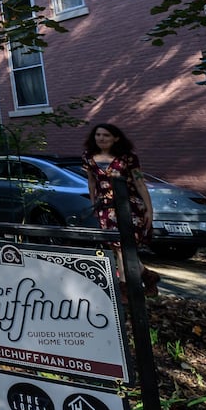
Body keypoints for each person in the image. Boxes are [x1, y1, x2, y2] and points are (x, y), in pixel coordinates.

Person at [82, 122, 160, 296]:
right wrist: (94, 202)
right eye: (98, 135)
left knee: (123, 245)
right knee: (118, 247)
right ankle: (147, 277)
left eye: (106, 135)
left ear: (116, 138)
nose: (101, 138)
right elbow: (91, 182)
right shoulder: (88, 157)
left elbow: (139, 182)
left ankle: (125, 288)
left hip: (129, 206)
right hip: (106, 207)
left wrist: (149, 209)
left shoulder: (127, 158)